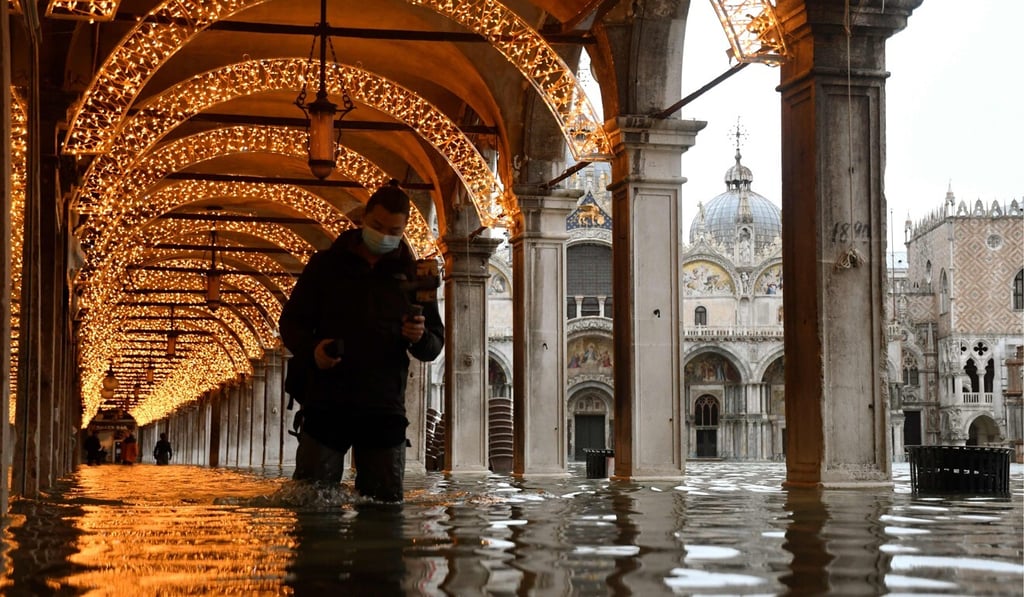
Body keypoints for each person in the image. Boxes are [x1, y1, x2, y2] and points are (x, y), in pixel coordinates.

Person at [278, 181, 444, 502]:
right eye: (378, 226)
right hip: (326, 401)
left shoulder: (417, 275)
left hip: (383, 406)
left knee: (384, 506)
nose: (383, 235)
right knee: (312, 503)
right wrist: (313, 351)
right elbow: (291, 323)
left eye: (393, 230)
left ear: (404, 228)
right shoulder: (325, 266)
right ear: (364, 219)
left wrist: (420, 337)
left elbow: (434, 344)